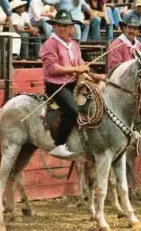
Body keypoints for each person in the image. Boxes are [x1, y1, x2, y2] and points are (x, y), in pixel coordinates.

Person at [40, 10, 89, 157]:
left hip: (72, 83)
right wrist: (76, 69)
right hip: (56, 85)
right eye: (60, 25)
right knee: (73, 111)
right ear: (54, 26)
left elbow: (80, 63)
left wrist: (88, 73)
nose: (63, 28)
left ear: (70, 28)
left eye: (66, 25)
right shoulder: (49, 44)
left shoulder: (73, 44)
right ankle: (59, 144)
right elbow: (53, 68)